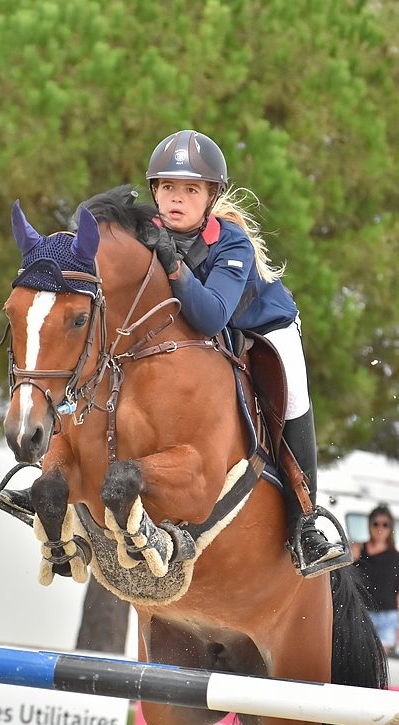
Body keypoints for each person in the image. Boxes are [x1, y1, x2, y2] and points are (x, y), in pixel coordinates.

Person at [142, 129, 350, 578]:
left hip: (264, 327)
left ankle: (305, 522)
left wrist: (173, 265)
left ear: (210, 196)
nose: (177, 198)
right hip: (200, 334)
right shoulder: (145, 232)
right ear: (154, 192)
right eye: (168, 187)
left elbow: (212, 315)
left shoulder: (230, 242)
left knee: (293, 395)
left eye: (191, 189)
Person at [352, 506, 399, 654]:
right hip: (361, 612)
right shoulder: (357, 550)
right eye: (376, 523)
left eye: (385, 524)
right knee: (358, 655)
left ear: (390, 528)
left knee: (378, 661)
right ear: (369, 525)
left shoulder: (396, 557)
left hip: (388, 617)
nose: (380, 528)